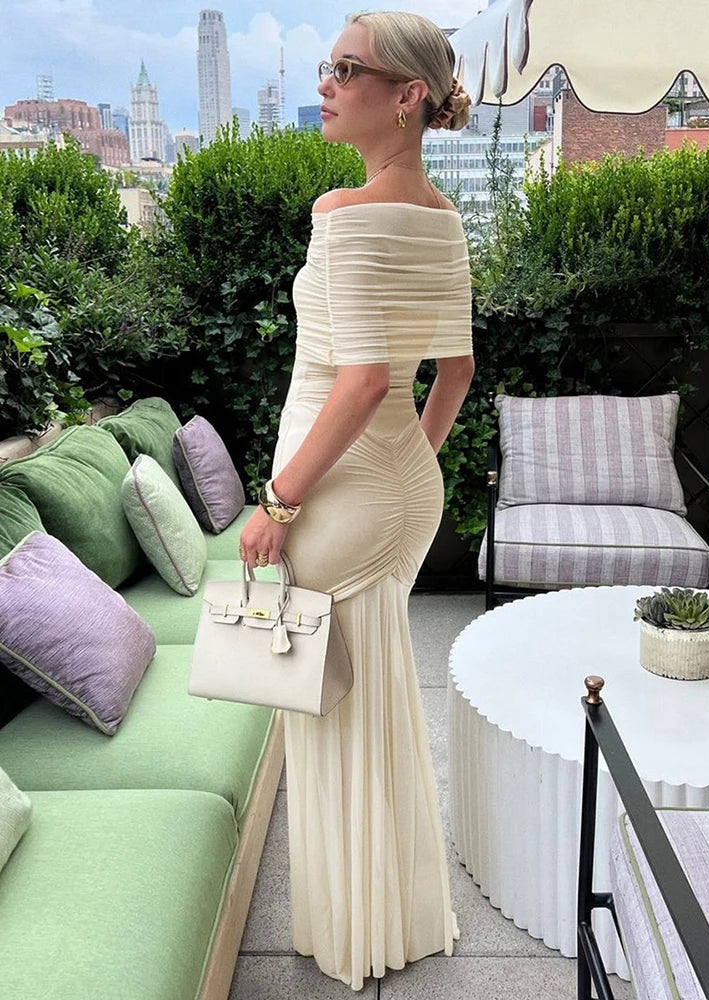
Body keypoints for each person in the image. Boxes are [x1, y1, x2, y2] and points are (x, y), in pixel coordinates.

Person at [239, 10, 475, 991]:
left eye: (347, 68)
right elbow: (453, 376)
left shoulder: (342, 213)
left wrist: (279, 503)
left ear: (407, 95)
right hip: (402, 493)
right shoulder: (445, 218)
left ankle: (354, 925)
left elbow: (364, 378)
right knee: (371, 694)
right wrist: (399, 473)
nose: (326, 81)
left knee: (326, 709)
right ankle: (398, 912)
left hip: (332, 498)